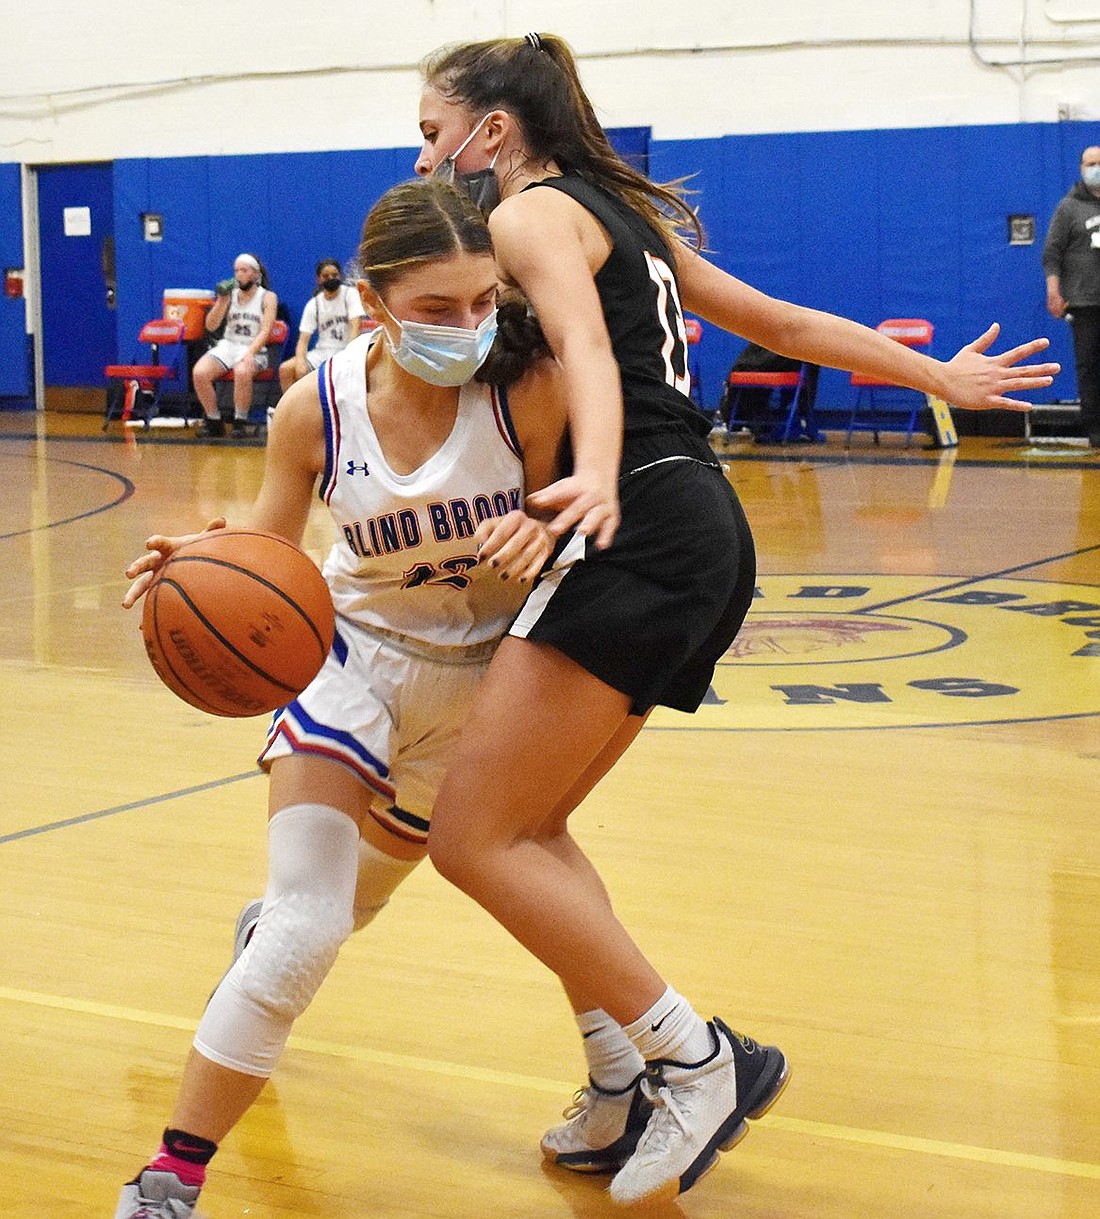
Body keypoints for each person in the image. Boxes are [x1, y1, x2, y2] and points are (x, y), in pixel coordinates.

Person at [411, 32, 1060, 1207]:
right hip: (698, 517)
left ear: (491, 132)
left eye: (428, 130)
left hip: (641, 512)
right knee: (533, 825)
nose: (423, 153)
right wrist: (935, 379)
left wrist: (595, 472)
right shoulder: (621, 214)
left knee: (471, 835)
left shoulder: (527, 217)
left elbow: (581, 351)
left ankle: (697, 1060)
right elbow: (783, 321)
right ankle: (619, 1076)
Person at [112, 178, 567, 1219]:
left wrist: (550, 531)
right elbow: (270, 549)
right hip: (351, 661)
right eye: (438, 308)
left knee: (346, 912)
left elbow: (570, 516)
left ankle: (258, 937)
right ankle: (169, 1179)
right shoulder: (311, 404)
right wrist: (203, 558)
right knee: (308, 925)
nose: (468, 326)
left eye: (482, 301)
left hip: (483, 693)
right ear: (374, 304)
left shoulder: (526, 388)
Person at [1042, 145, 1100, 448]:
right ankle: (1096, 431)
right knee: (1089, 367)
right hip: (1084, 302)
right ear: (1081, 168)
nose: (1096, 169)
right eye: (1091, 164)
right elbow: (1052, 252)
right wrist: (1054, 289)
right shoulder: (1068, 207)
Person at [192, 253, 279, 438]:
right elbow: (210, 325)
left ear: (255, 274)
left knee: (242, 371)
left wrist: (250, 352)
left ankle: (240, 420)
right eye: (236, 270)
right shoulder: (230, 295)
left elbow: (266, 330)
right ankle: (214, 421)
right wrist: (220, 302)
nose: (239, 274)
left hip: (255, 347)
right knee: (200, 372)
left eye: (244, 270)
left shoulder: (268, 297)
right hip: (229, 344)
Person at [278, 258, 369, 392]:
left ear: (340, 276)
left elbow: (356, 327)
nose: (331, 278)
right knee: (286, 369)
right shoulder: (314, 304)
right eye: (326, 276)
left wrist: (350, 354)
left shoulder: (350, 295)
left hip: (345, 349)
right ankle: (294, 411)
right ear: (319, 280)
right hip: (322, 352)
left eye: (334, 275)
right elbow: (303, 340)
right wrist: (301, 362)